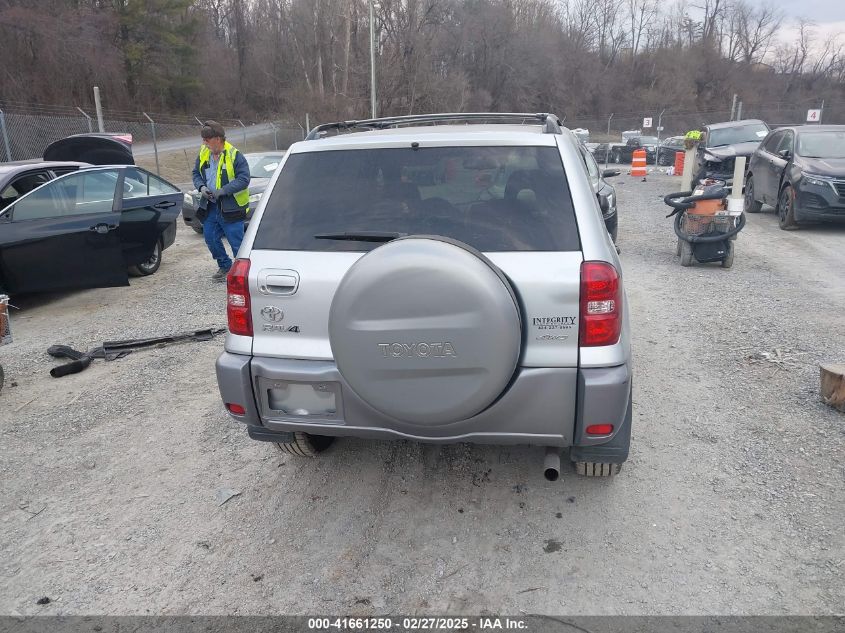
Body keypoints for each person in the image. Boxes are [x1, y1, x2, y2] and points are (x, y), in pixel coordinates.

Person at [192, 120, 251, 281]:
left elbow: (244, 179)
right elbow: (195, 174)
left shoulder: (235, 155)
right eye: (203, 140)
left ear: (217, 138)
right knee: (210, 238)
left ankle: (242, 274)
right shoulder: (204, 153)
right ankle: (225, 266)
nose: (204, 143)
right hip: (211, 207)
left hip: (231, 208)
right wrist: (201, 187)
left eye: (207, 140)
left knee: (237, 243)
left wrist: (223, 191)